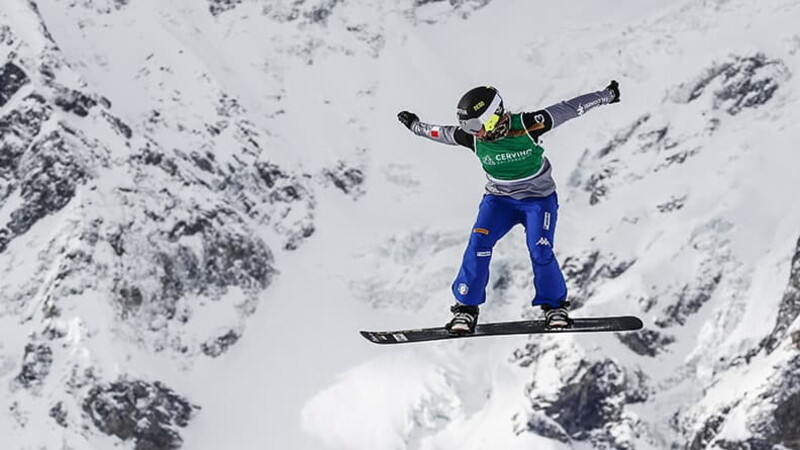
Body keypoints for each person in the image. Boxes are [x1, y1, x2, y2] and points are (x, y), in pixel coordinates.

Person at [397, 80, 620, 334]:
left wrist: (607, 95)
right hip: (499, 200)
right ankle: (466, 309)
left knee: (540, 250)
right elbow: (441, 133)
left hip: (538, 200)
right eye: (465, 125)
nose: (470, 131)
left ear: (492, 118)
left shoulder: (529, 125)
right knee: (478, 244)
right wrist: (416, 126)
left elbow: (571, 108)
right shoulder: (472, 138)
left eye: (474, 124)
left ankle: (554, 306)